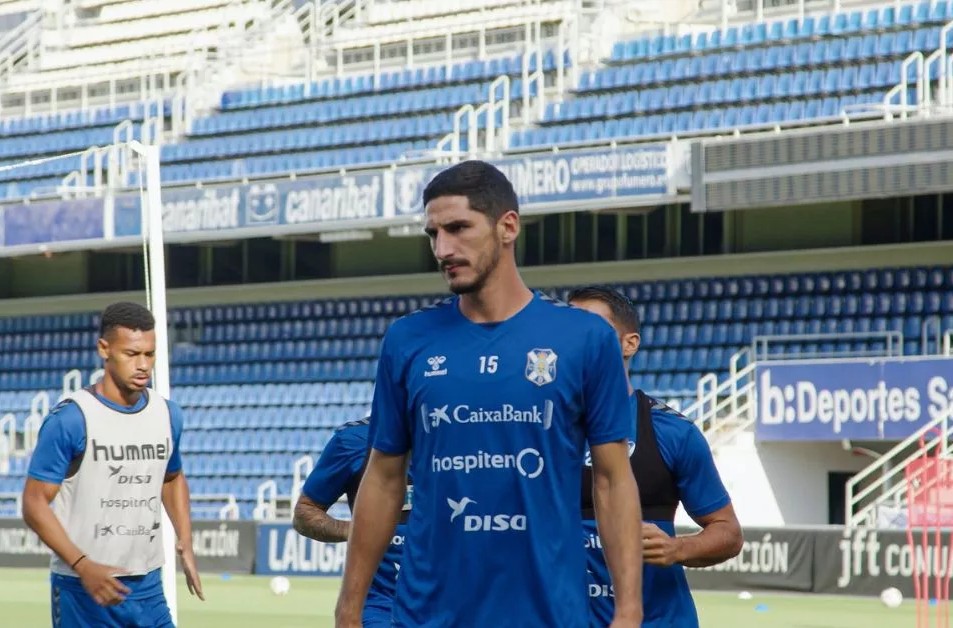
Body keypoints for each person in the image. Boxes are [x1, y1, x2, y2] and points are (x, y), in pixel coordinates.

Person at [334, 161, 644, 628]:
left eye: (458, 228)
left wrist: (629, 609)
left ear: (508, 227)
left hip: (548, 614)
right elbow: (383, 478)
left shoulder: (583, 338)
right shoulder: (407, 339)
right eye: (433, 234)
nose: (442, 249)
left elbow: (612, 480)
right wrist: (349, 608)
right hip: (426, 615)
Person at [568, 286, 743, 628]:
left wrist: (678, 549)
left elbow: (728, 533)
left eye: (592, 328)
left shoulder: (672, 432)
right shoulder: (540, 431)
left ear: (629, 343)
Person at [21, 302, 204, 628]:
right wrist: (83, 565)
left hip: (148, 586)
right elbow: (34, 503)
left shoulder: (167, 414)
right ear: (104, 349)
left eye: (149, 354)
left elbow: (172, 478)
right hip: (84, 589)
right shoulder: (72, 419)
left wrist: (185, 539)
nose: (143, 365)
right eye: (132, 354)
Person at [292, 416, 410, 627]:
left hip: (452, 602)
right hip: (382, 608)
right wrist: (357, 530)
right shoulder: (354, 439)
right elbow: (305, 512)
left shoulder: (460, 439)